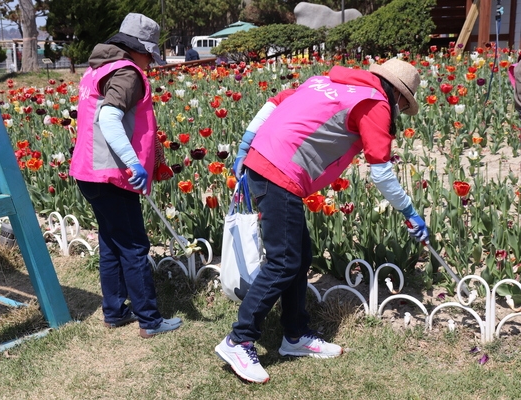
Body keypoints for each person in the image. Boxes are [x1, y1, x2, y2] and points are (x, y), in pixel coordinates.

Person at [215, 58, 428, 383]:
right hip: (280, 171)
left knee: (298, 258)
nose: (400, 108)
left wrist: (246, 143)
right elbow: (382, 173)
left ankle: (295, 335)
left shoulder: (331, 82)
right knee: (284, 261)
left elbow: (274, 102)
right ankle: (239, 340)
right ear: (398, 95)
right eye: (403, 102)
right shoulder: (375, 102)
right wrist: (410, 213)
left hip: (270, 163)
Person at [70, 13, 181, 338]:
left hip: (88, 171)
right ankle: (150, 320)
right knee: (134, 245)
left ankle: (115, 311)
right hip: (112, 174)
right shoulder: (127, 73)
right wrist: (134, 163)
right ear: (139, 50)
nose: (151, 64)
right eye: (150, 56)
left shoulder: (97, 69)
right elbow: (108, 117)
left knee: (110, 241)